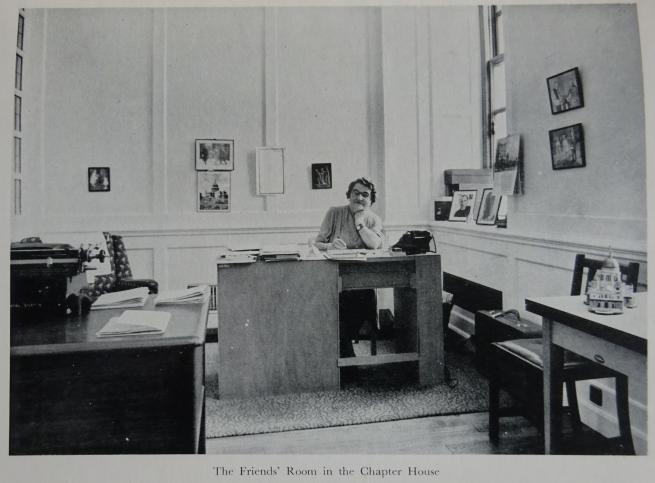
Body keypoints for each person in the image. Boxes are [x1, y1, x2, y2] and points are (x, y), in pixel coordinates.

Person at [313, 177, 383, 358]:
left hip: (361, 280)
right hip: (333, 276)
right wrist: (330, 246)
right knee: (336, 306)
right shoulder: (334, 213)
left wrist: (360, 222)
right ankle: (345, 355)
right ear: (349, 195)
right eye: (356, 193)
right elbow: (317, 243)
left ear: (371, 200)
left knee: (359, 302)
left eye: (365, 195)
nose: (359, 198)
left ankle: (343, 354)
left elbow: (374, 244)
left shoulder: (374, 219)